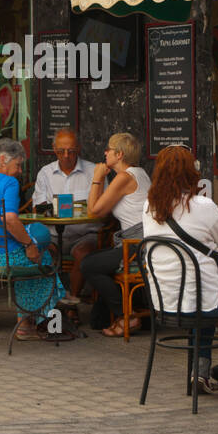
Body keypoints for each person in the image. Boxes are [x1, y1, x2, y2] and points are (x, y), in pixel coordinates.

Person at [141, 145, 218, 401]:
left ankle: (199, 373)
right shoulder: (203, 205)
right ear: (192, 173)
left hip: (164, 300)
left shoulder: (149, 206)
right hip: (200, 297)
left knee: (202, 300)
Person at [0, 138, 61, 341]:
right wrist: (29, 245)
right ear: (4, 160)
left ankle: (38, 319)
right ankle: (29, 324)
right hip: (2, 258)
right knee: (42, 259)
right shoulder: (9, 182)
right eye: (18, 165)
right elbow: (9, 219)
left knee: (33, 251)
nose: (20, 171)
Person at [70, 132, 151, 335]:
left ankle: (128, 316)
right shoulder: (138, 173)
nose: (105, 152)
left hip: (137, 245)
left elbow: (93, 211)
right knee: (91, 258)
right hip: (135, 240)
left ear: (119, 154)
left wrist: (96, 178)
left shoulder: (125, 177)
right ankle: (112, 314)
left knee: (89, 264)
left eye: (109, 149)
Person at [32, 129, 98, 255]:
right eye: (61, 151)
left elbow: (102, 209)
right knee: (41, 254)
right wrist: (77, 208)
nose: (66, 155)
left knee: (82, 255)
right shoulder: (45, 173)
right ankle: (52, 275)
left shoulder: (94, 171)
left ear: (78, 148)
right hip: (53, 236)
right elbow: (38, 209)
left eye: (71, 151)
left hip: (84, 236)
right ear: (54, 149)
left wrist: (57, 208)